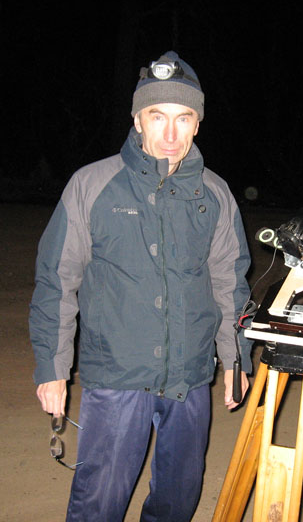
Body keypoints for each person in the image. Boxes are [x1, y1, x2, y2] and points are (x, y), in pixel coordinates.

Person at [30, 51, 252, 521]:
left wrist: (236, 359)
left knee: (178, 500)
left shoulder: (215, 193)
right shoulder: (92, 184)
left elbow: (230, 281)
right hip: (117, 377)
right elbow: (57, 280)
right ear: (137, 120)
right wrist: (52, 366)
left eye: (183, 117)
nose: (170, 134)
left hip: (189, 378)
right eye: (157, 116)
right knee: (99, 503)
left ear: (197, 124)